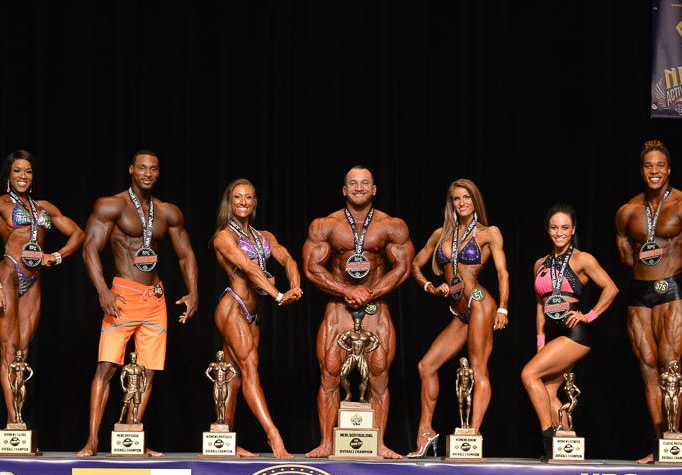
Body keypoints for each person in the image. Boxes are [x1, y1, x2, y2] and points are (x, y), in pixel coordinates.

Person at [77, 150, 198, 457]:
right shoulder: (112, 205)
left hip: (155, 297)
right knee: (107, 366)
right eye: (142, 168)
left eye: (153, 169)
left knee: (148, 371)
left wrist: (194, 292)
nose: (147, 173)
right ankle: (92, 440)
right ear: (131, 169)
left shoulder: (167, 212)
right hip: (122, 296)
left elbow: (185, 255)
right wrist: (102, 291)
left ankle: (131, 437)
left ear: (158, 173)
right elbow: (90, 248)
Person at [303, 165, 413, 459]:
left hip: (376, 306)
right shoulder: (325, 225)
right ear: (344, 189)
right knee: (329, 375)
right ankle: (327, 443)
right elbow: (311, 268)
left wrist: (370, 292)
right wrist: (346, 290)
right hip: (338, 306)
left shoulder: (392, 226)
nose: (359, 187)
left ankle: (379, 443)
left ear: (374, 189)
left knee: (379, 376)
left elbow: (403, 268)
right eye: (353, 183)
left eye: (365, 183)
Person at [614, 140, 682, 463]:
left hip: (673, 290)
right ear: (642, 171)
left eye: (659, 166)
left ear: (668, 169)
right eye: (648, 166)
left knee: (670, 366)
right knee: (648, 368)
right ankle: (658, 445)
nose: (654, 171)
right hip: (639, 295)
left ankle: (672, 441)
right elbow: (626, 257)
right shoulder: (627, 212)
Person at [0, 150, 84, 426]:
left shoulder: (44, 207)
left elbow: (78, 233)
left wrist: (56, 256)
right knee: (9, 349)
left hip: (33, 278)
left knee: (23, 351)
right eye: (17, 171)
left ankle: (19, 415)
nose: (23, 176)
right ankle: (14, 422)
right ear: (9, 175)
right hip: (8, 273)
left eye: (28, 171)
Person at [408, 179, 509, 458]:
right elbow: (415, 265)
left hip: (480, 303)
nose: (462, 203)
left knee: (478, 369)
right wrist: (430, 286)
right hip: (460, 313)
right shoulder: (441, 234)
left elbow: (503, 272)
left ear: (475, 201)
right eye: (456, 198)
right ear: (450, 203)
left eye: (467, 197)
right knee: (426, 366)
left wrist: (503, 308)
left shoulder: (489, 233)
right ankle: (426, 432)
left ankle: (472, 435)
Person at [211, 178, 301, 458]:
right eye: (238, 197)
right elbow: (249, 270)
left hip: (253, 314)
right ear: (230, 202)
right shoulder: (224, 237)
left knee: (233, 378)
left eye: (248, 197)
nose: (243, 202)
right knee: (250, 369)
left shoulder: (264, 236)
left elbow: (288, 259)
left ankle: (225, 440)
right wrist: (278, 295)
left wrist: (295, 287)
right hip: (233, 308)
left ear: (254, 203)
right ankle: (274, 436)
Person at [521, 204, 618, 447]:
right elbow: (540, 307)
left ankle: (548, 434)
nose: (559, 233)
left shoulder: (582, 259)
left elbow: (611, 288)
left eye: (565, 228)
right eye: (554, 228)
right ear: (548, 230)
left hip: (575, 335)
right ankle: (567, 446)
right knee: (547, 391)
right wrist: (540, 341)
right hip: (554, 335)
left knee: (529, 374)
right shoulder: (540, 264)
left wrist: (589, 315)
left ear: (573, 229)